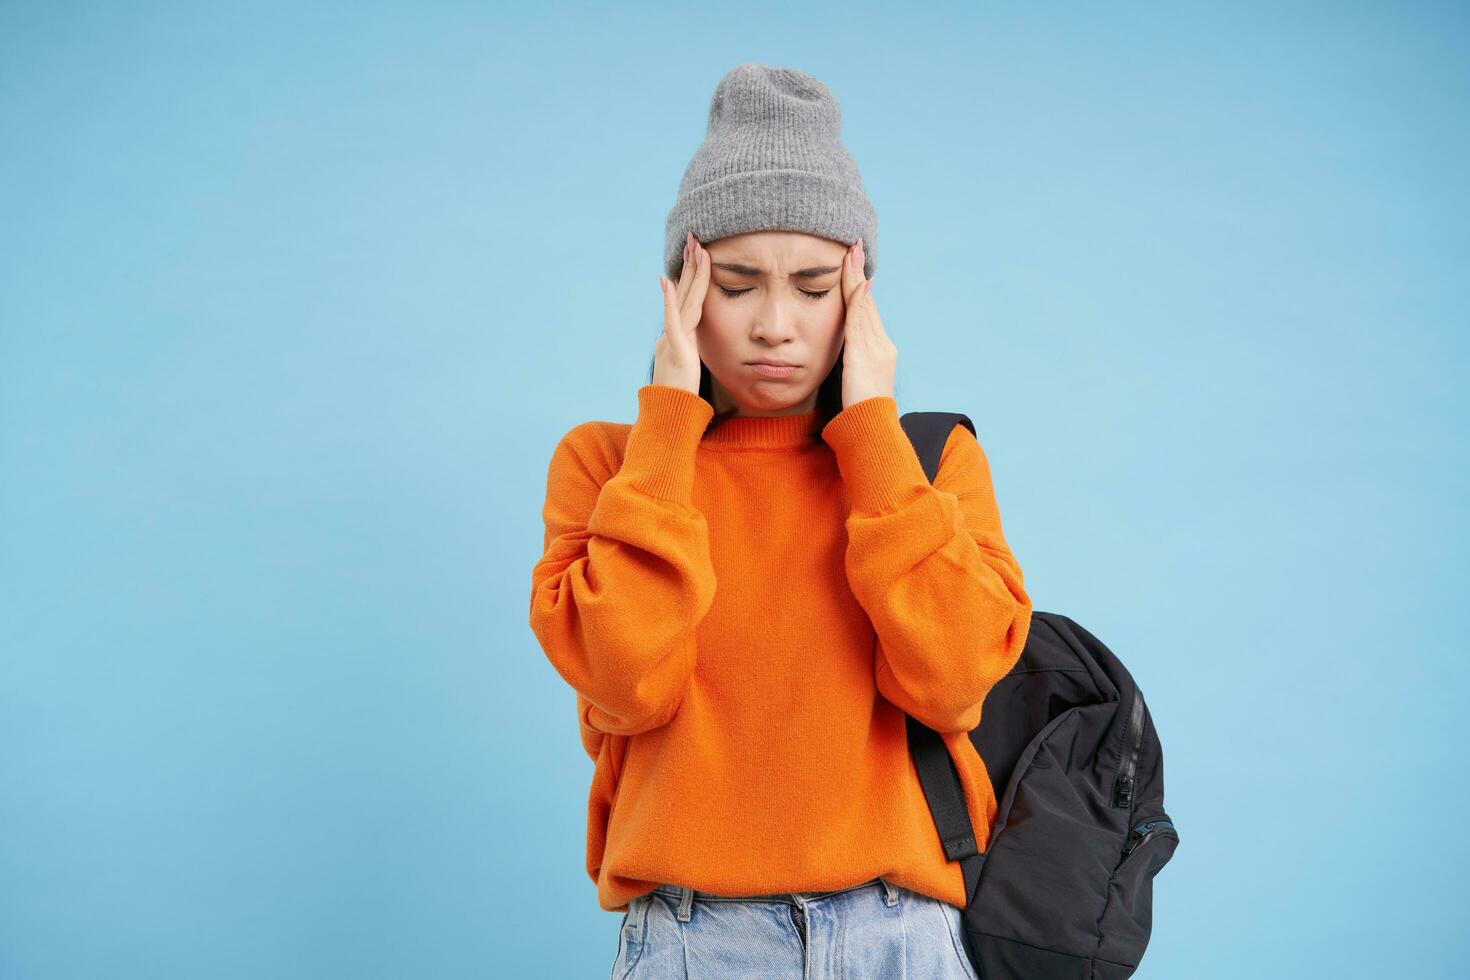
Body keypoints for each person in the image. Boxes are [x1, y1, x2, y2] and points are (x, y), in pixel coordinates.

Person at [528, 62, 1032, 979]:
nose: (774, 325)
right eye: (736, 283)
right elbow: (626, 682)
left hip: (902, 936)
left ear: (860, 296)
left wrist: (871, 435)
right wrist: (669, 423)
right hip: (693, 939)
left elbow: (955, 683)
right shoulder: (611, 466)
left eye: (812, 286)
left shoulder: (924, 465)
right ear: (680, 289)